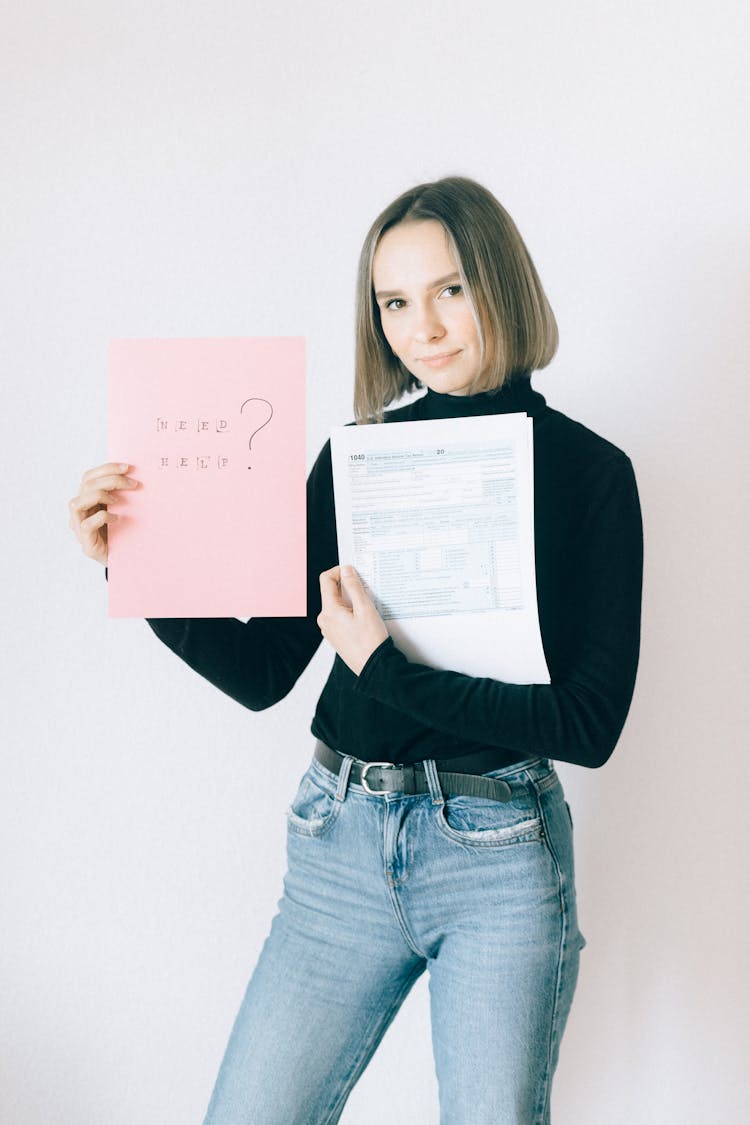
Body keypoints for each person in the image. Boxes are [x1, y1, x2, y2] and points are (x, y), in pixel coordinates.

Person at [69, 176, 643, 1125]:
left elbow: (588, 723)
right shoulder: (356, 460)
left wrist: (387, 670)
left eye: (451, 288)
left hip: (498, 856)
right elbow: (263, 672)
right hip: (337, 842)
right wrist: (135, 566)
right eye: (395, 301)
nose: (425, 325)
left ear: (501, 282)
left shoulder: (590, 474)